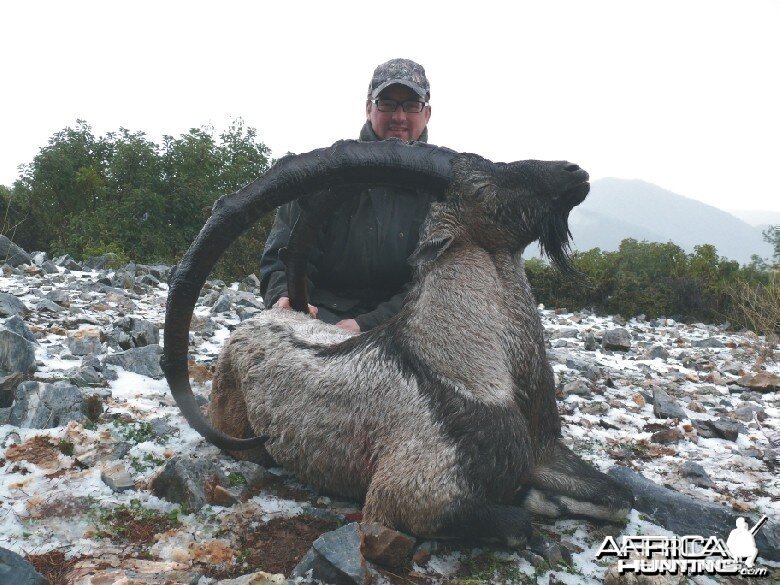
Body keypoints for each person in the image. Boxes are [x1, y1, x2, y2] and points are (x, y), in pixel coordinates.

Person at [260, 58, 438, 333]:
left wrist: (366, 324)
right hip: (320, 318)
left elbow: (437, 279)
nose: (399, 117)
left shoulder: (443, 193)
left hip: (408, 324)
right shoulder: (323, 175)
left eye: (411, 106)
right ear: (369, 108)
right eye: (387, 103)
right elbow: (282, 258)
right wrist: (285, 297)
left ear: (426, 113)